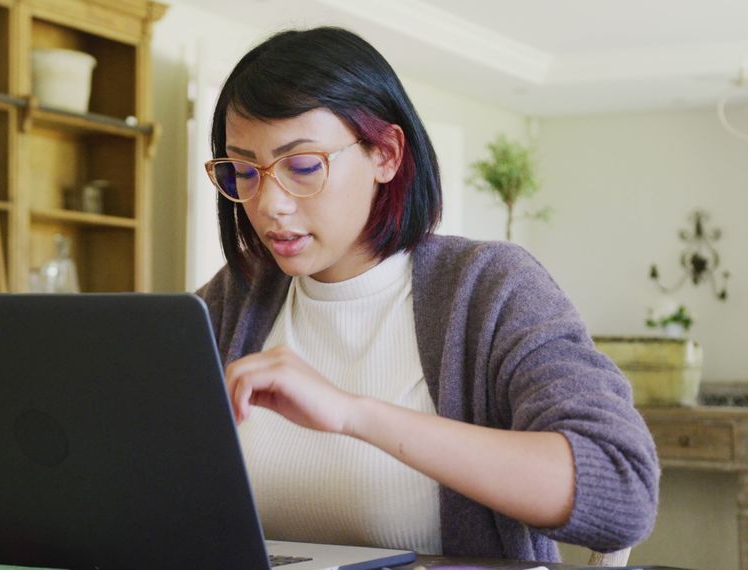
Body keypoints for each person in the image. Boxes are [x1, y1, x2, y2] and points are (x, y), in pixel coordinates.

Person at [197, 27, 658, 562]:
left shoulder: (491, 288)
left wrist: (353, 414)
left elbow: (622, 488)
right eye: (245, 171)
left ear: (386, 154)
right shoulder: (234, 300)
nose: (269, 203)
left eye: (302, 167)